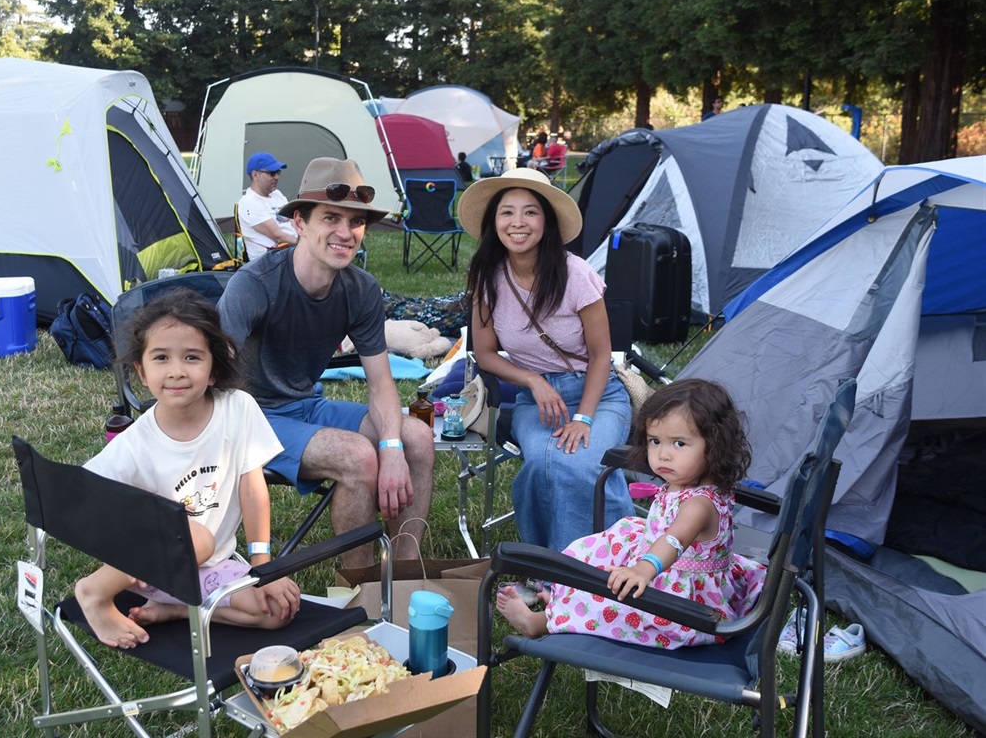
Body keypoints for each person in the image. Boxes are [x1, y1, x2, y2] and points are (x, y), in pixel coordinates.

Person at [218, 157, 435, 569]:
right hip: (249, 415)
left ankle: (405, 571)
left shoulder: (361, 288)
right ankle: (361, 586)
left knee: (417, 438)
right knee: (357, 455)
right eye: (331, 218)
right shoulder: (255, 285)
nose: (345, 232)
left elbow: (381, 382)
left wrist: (392, 448)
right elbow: (213, 375)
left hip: (306, 405)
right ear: (299, 222)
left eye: (355, 222)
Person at [76, 289, 301, 649]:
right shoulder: (136, 442)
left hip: (209, 569)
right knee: (193, 537)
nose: (177, 371)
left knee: (277, 610)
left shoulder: (238, 409)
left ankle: (178, 611)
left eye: (192, 357)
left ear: (213, 370)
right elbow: (82, 496)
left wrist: (263, 568)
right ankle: (94, 592)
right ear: (142, 371)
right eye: (161, 358)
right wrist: (135, 536)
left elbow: (253, 489)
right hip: (153, 570)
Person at [496, 378, 767, 650]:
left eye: (679, 444)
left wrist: (642, 569)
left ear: (714, 445)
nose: (663, 455)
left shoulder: (699, 504)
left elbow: (674, 539)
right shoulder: (687, 482)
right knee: (597, 561)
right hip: (656, 565)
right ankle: (563, 602)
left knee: (611, 599)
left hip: (682, 604)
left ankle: (538, 623)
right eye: (655, 441)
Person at [460, 167, 634, 553]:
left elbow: (602, 355)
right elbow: (485, 353)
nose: (517, 223)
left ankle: (610, 563)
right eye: (507, 212)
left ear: (547, 222)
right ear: (494, 222)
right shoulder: (488, 277)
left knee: (582, 464)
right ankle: (546, 566)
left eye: (530, 212)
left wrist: (584, 417)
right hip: (535, 400)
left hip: (598, 395)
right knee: (542, 465)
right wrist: (533, 381)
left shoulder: (576, 274)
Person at [237, 151, 299, 260]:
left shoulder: (277, 195)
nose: (276, 177)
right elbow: (278, 236)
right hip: (269, 262)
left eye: (278, 172)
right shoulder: (248, 202)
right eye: (272, 173)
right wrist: (306, 244)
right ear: (255, 175)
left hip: (290, 252)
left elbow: (294, 221)